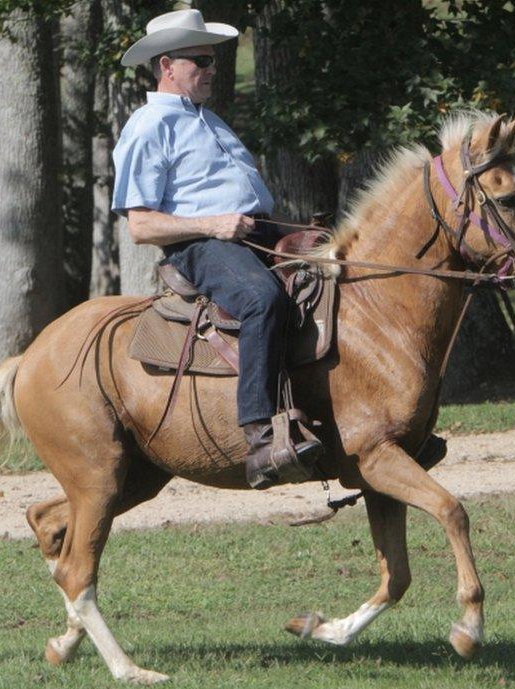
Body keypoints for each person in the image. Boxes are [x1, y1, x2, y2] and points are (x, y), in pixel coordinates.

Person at [112, 9, 323, 489]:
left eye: (213, 60)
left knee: (333, 272)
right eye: (200, 61)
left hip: (253, 232)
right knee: (260, 298)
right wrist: (214, 224)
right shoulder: (148, 126)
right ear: (168, 65)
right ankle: (260, 432)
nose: (211, 69)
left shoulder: (207, 118)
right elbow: (141, 226)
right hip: (198, 245)